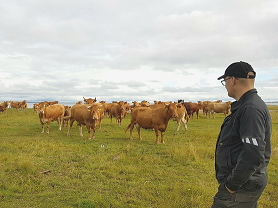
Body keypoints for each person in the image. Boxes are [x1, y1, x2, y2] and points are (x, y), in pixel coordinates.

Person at [212, 61, 272, 208]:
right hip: (247, 182)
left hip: (241, 186)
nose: (225, 85)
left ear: (232, 80)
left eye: (224, 81)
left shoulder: (250, 108)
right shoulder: (249, 104)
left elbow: (253, 154)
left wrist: (231, 185)